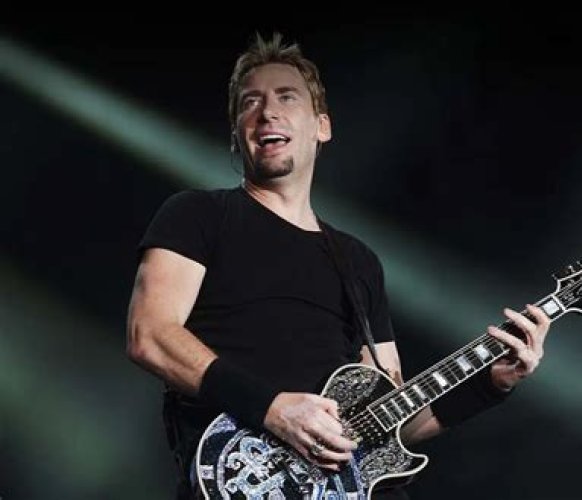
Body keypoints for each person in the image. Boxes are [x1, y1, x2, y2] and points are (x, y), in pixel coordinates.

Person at [126, 32, 550, 499]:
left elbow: (393, 426)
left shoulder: (358, 261)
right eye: (250, 102)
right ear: (236, 133)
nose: (267, 112)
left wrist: (490, 384)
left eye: (287, 97)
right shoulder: (198, 215)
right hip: (246, 479)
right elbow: (151, 335)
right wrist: (274, 410)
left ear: (321, 127)